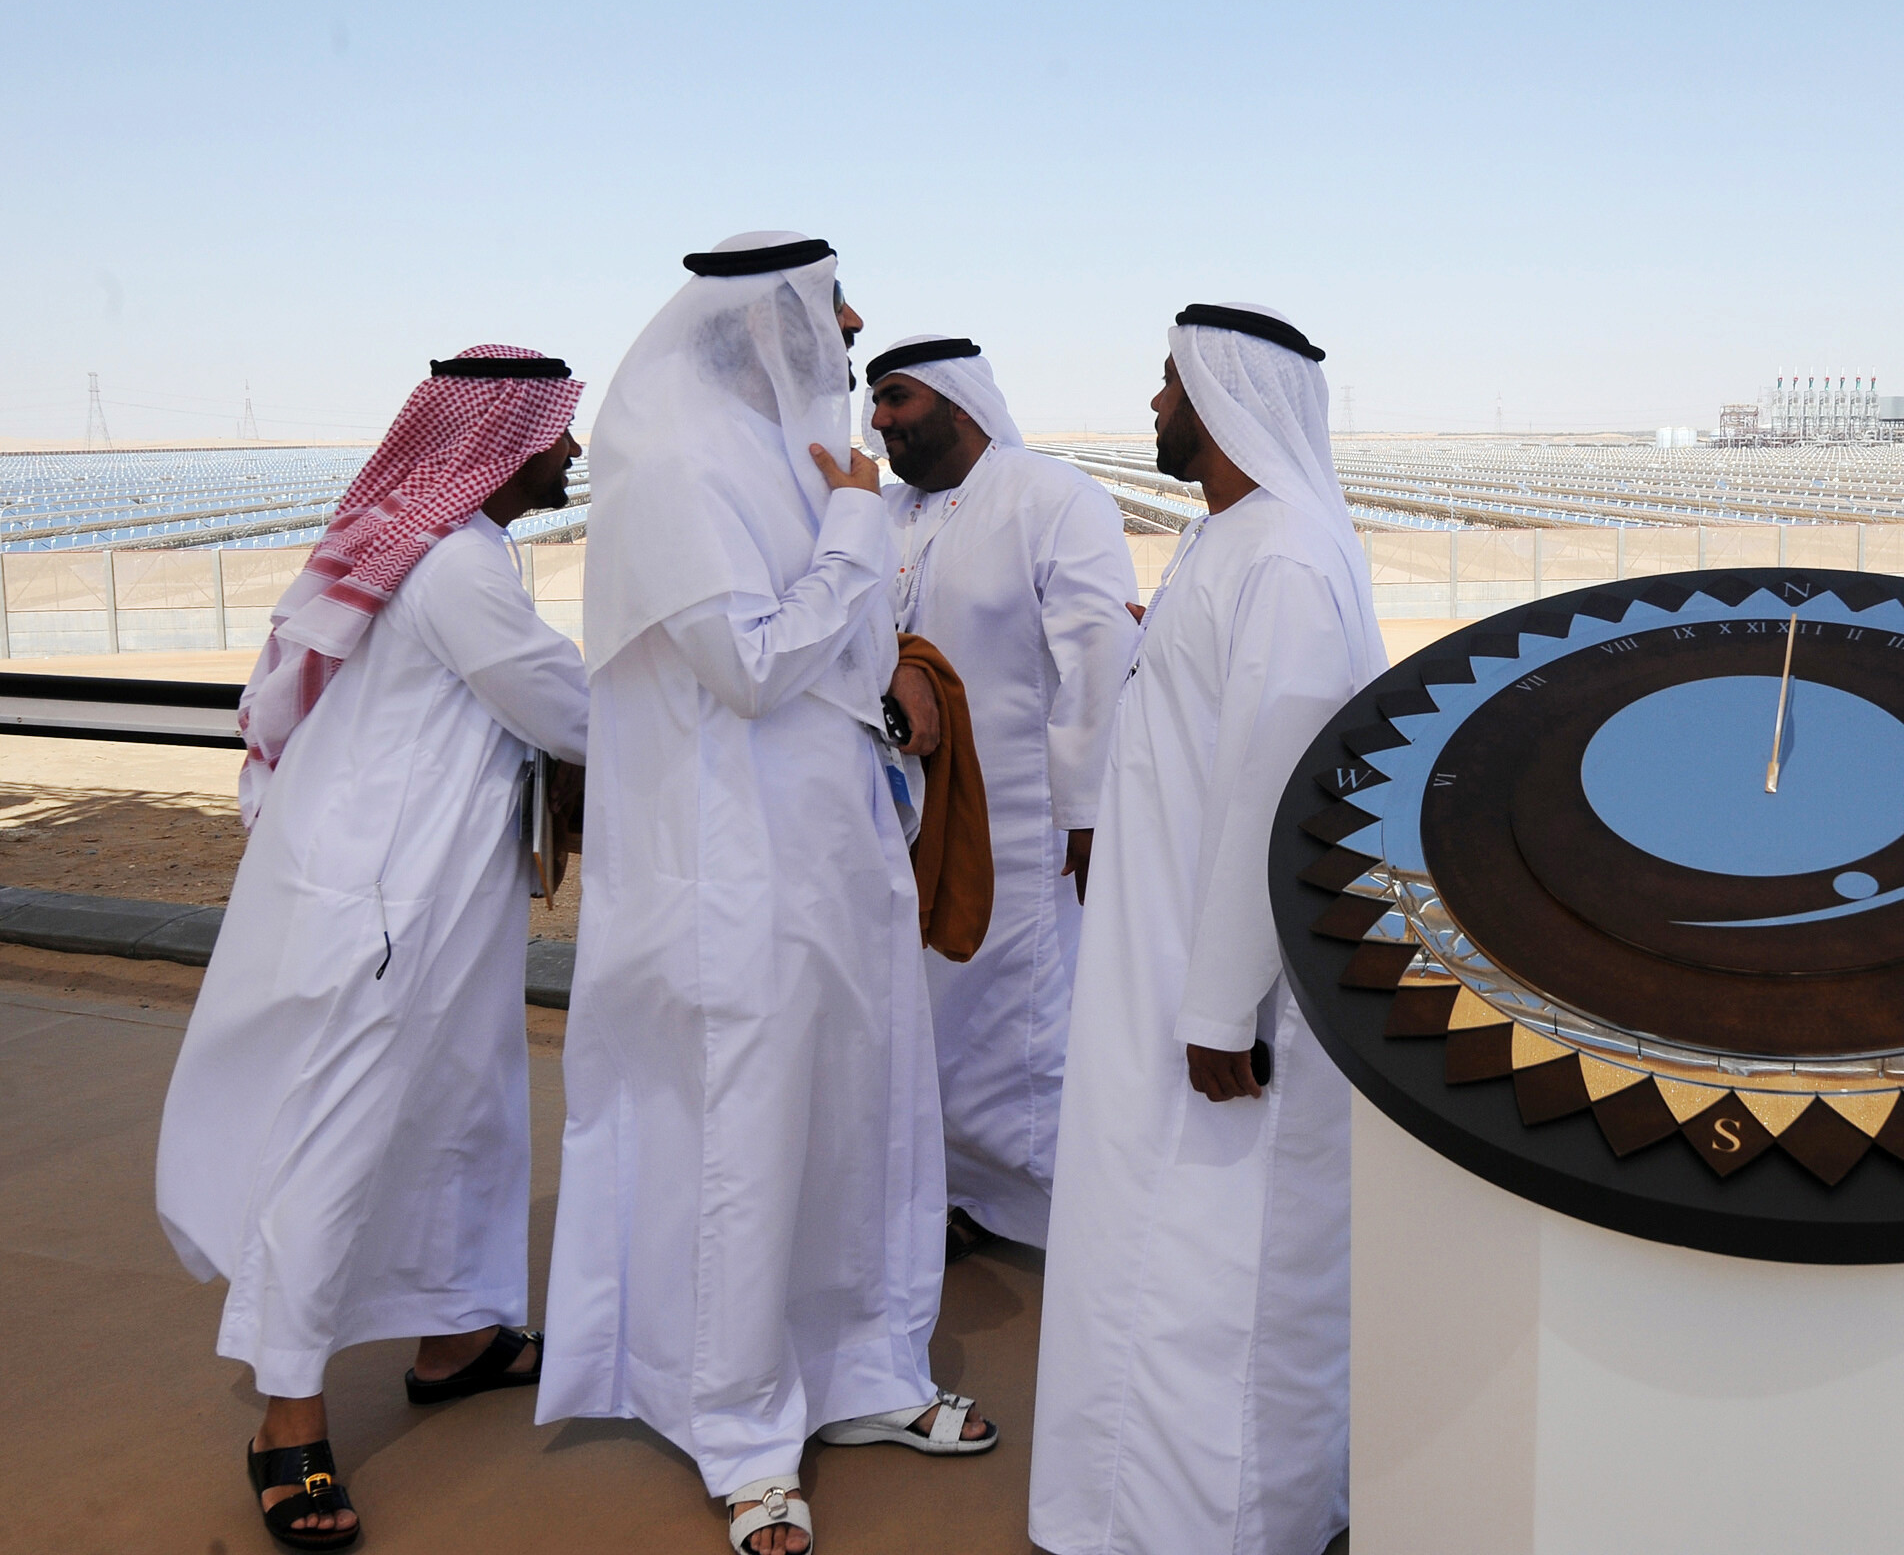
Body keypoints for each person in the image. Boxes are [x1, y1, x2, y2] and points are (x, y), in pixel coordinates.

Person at [538, 234, 991, 1555]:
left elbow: (841, 647)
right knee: (743, 1145)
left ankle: (864, 1374)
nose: (851, 325)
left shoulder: (785, 451)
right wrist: (856, 524)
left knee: (857, 1120)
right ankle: (742, 1437)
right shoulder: (674, 460)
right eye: (828, 306)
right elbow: (747, 665)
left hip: (832, 858)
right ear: (756, 325)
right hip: (733, 875)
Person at [156, 346, 591, 1552]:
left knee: (462, 1107)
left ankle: (459, 1333)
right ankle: (286, 1417)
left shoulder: (459, 547)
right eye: (559, 429)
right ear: (501, 444)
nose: (572, 449)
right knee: (336, 1141)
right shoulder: (457, 566)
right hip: (382, 907)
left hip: (429, 900)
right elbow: (565, 707)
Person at [1029, 305, 1387, 1555]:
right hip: (1159, 962)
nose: (1154, 406)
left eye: (1169, 385)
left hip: (1224, 994)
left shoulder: (1283, 557)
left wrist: (1223, 1002)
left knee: (1220, 1272)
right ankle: (1133, 1511)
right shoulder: (1229, 538)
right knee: (1156, 1247)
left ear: (1227, 397)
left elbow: (1273, 793)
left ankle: (1230, 1524)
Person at [861, 334, 1139, 1257]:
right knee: (924, 1026)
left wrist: (1087, 809)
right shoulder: (878, 514)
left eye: (897, 398)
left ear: (958, 402)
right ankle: (954, 1195)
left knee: (1023, 1034)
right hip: (900, 823)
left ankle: (1068, 1221)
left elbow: (1099, 654)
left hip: (1026, 826)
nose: (880, 420)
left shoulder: (1051, 497)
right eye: (875, 402)